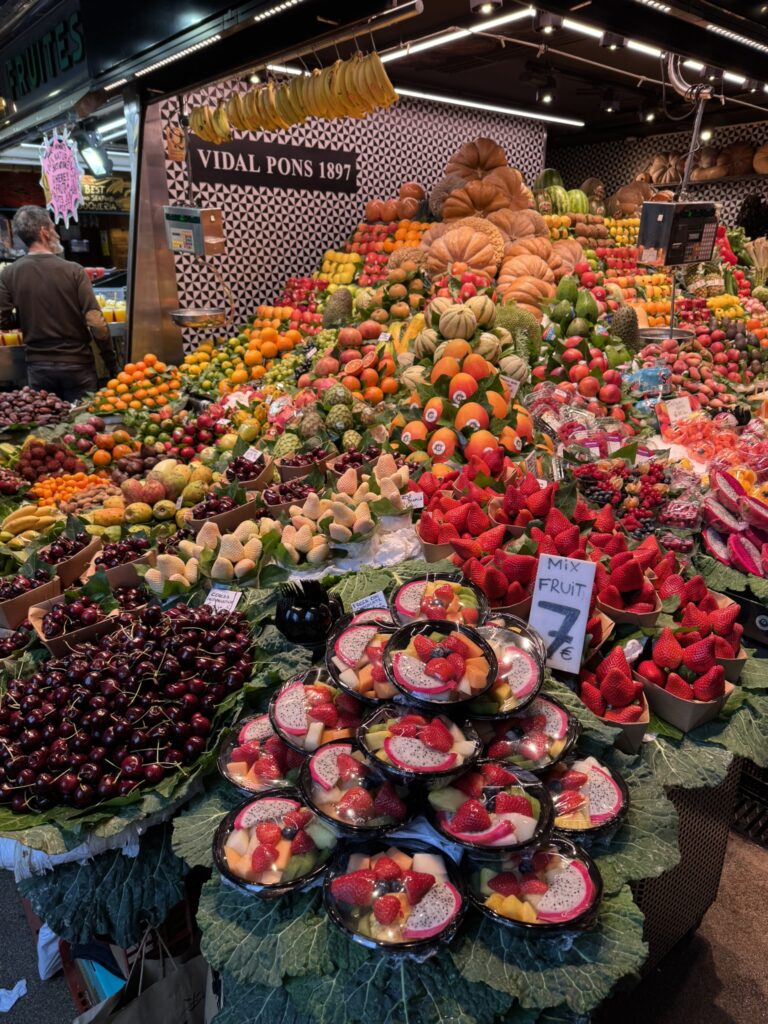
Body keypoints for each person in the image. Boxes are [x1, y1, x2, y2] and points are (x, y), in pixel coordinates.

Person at [0, 206, 118, 402]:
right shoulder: (74, 271)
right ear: (44, 232)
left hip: (38, 367)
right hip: (77, 365)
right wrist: (111, 362)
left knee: (46, 420)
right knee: (82, 419)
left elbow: (2, 320)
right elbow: (96, 322)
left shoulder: (9, 273)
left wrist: (26, 318)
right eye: (53, 228)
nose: (57, 234)